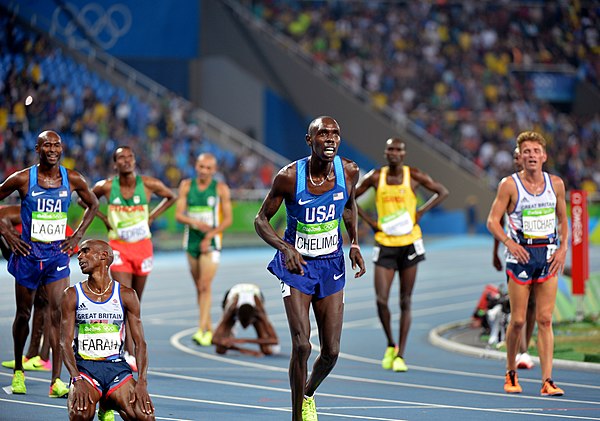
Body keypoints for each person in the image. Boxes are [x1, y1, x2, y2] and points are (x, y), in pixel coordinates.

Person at [254, 116, 366, 421]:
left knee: (331, 352)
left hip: (331, 264)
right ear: (309, 140)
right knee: (302, 345)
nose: (329, 139)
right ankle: (295, 417)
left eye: (335, 134)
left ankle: (307, 393)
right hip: (297, 266)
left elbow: (348, 206)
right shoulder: (289, 177)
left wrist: (354, 243)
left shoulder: (350, 172)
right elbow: (260, 219)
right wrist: (284, 247)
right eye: (322, 134)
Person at [0, 130, 99, 397]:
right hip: (29, 256)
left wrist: (76, 236)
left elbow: (93, 203)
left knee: (58, 314)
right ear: (38, 148)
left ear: (62, 148)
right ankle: (19, 371)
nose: (52, 149)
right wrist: (7, 233)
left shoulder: (73, 178)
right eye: (47, 145)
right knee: (23, 314)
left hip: (57, 256)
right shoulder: (23, 178)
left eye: (57, 145)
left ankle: (56, 380)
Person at [354, 137, 448, 372]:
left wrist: (420, 212)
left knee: (405, 300)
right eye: (390, 149)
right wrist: (370, 222)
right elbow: (349, 198)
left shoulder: (413, 175)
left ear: (404, 154)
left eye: (398, 149)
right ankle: (390, 343)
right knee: (381, 300)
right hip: (385, 242)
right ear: (385, 153)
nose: (394, 153)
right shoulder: (376, 177)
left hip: (409, 243)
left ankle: (401, 355)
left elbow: (442, 191)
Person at [487, 131, 568, 396]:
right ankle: (511, 371)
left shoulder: (556, 184)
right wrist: (509, 244)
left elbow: (563, 220)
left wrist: (563, 248)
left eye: (536, 151)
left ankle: (547, 380)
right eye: (527, 152)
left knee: (545, 320)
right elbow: (492, 221)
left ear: (544, 156)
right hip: (520, 258)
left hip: (547, 257)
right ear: (519, 157)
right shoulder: (509, 185)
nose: (531, 156)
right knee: (519, 321)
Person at [86, 146, 176, 370]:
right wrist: (104, 218)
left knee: (135, 302)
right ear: (115, 164)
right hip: (118, 248)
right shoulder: (105, 186)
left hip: (143, 247)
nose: (126, 161)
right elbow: (85, 200)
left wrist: (152, 216)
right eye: (121, 158)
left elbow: (170, 196)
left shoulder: (147, 184)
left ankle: (129, 348)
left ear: (134, 160)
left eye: (129, 156)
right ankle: (124, 351)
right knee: (122, 300)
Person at [61, 239, 155, 421]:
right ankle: (104, 400)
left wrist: (142, 382)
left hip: (116, 368)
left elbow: (140, 343)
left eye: (85, 251)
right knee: (80, 414)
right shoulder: (72, 295)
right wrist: (76, 379)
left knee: (145, 416)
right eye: (79, 253)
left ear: (104, 256)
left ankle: (107, 402)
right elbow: (64, 343)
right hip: (85, 369)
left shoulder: (127, 295)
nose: (79, 256)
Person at [175, 153, 232, 346]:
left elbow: (228, 219)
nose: (204, 170)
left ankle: (202, 331)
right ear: (196, 167)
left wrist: (209, 235)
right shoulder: (186, 186)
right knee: (199, 287)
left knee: (205, 285)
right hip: (191, 240)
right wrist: (196, 223)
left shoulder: (220, 189)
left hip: (211, 241)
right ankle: (209, 328)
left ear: (214, 170)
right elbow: (179, 215)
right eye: (201, 166)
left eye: (208, 168)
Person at [491, 148, 536, 370]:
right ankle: (523, 351)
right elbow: (496, 221)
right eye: (517, 155)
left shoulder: (542, 184)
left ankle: (525, 346)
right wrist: (495, 251)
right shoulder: (507, 184)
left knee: (534, 304)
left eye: (523, 154)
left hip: (539, 251)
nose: (520, 158)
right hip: (515, 253)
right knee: (520, 305)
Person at [0, 205, 51, 372]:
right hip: (31, 256)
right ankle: (31, 355)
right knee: (37, 304)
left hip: (49, 251)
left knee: (46, 304)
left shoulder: (10, 213)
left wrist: (12, 236)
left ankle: (43, 358)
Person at [212, 283, 279, 356]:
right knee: (220, 349)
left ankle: (230, 337)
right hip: (232, 294)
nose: (244, 327)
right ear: (237, 317)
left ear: (254, 318)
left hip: (256, 295)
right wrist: (243, 350)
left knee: (266, 350)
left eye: (247, 324)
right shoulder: (231, 310)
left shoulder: (259, 311)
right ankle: (231, 332)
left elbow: (274, 340)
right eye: (242, 323)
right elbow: (214, 339)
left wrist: (243, 340)